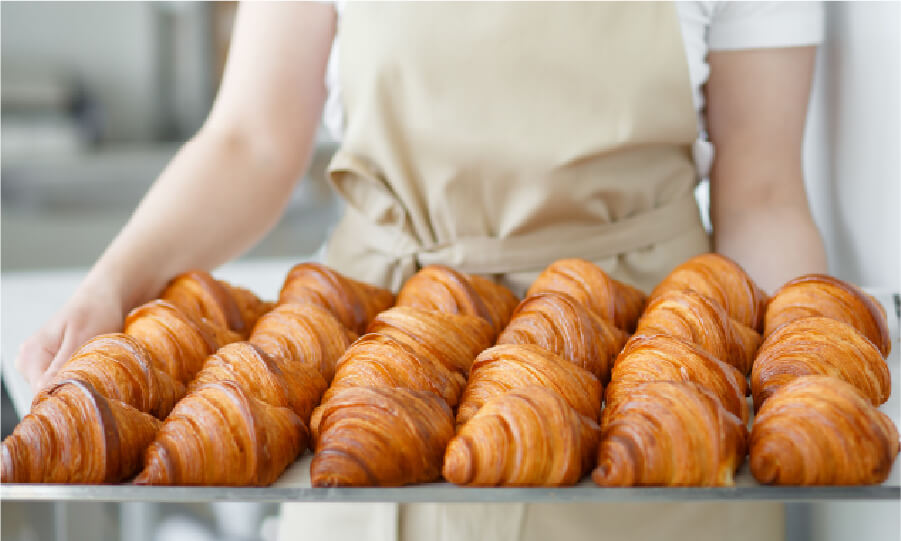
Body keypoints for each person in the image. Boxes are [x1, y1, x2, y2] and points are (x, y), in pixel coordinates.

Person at [16, 2, 828, 540]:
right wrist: (114, 282)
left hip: (646, 376)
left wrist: (807, 390)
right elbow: (251, 142)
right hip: (379, 362)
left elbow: (760, 190)